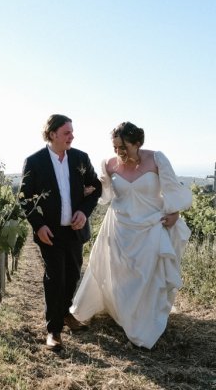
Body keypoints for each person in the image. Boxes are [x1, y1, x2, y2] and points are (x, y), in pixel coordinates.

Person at [70, 121, 192, 349]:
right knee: (121, 275)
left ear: (137, 143)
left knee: (149, 276)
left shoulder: (157, 159)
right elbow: (104, 195)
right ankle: (123, 314)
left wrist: (174, 212)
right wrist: (87, 191)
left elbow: (172, 189)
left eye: (123, 147)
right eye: (115, 147)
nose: (118, 153)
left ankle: (144, 321)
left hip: (151, 226)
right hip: (119, 226)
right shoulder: (108, 164)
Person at [19, 114, 102, 351]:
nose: (72, 136)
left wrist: (84, 212)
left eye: (72, 132)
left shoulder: (80, 158)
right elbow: (24, 198)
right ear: (52, 134)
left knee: (73, 274)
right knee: (55, 278)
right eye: (67, 132)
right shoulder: (34, 162)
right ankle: (53, 330)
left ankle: (66, 313)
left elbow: (96, 187)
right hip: (50, 233)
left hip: (75, 231)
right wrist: (38, 225)